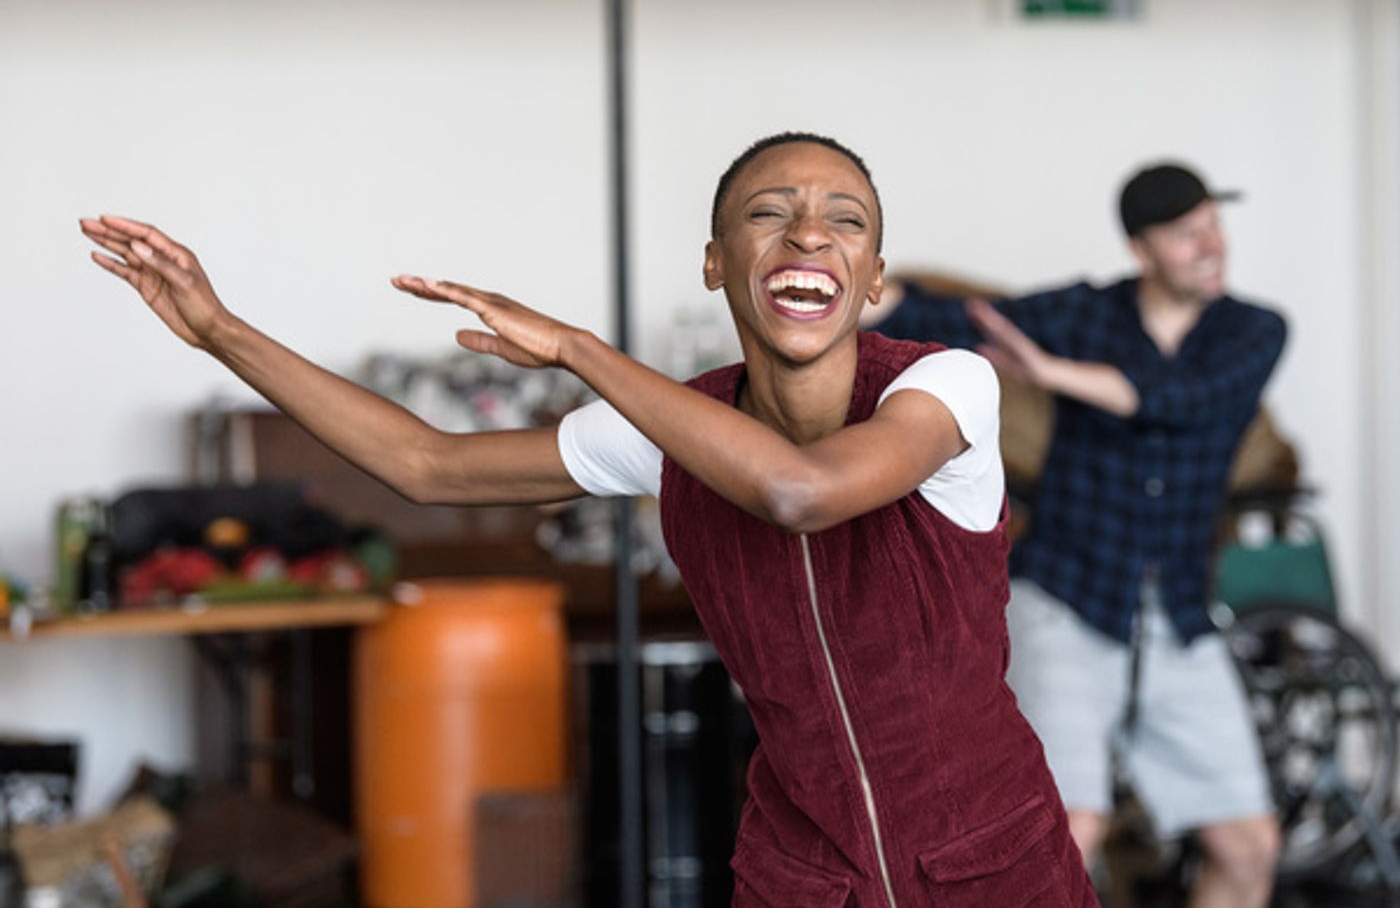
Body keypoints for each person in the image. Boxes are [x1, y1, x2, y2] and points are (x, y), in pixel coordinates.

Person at [80, 131, 1095, 907]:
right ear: (715, 262)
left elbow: (800, 491)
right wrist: (219, 331)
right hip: (802, 875)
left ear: (872, 279)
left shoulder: (945, 388)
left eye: (846, 219)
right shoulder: (672, 432)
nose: (807, 233)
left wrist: (579, 349)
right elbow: (426, 463)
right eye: (768, 212)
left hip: (989, 861)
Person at [864, 161, 1286, 908]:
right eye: (1187, 234)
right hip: (1066, 600)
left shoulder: (1252, 331)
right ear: (1141, 249)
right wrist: (864, 286)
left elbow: (1180, 399)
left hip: (1177, 614)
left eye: (1214, 226)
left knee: (1250, 845)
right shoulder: (1090, 314)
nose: (1211, 246)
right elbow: (966, 318)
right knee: (1068, 831)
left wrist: (1051, 374)